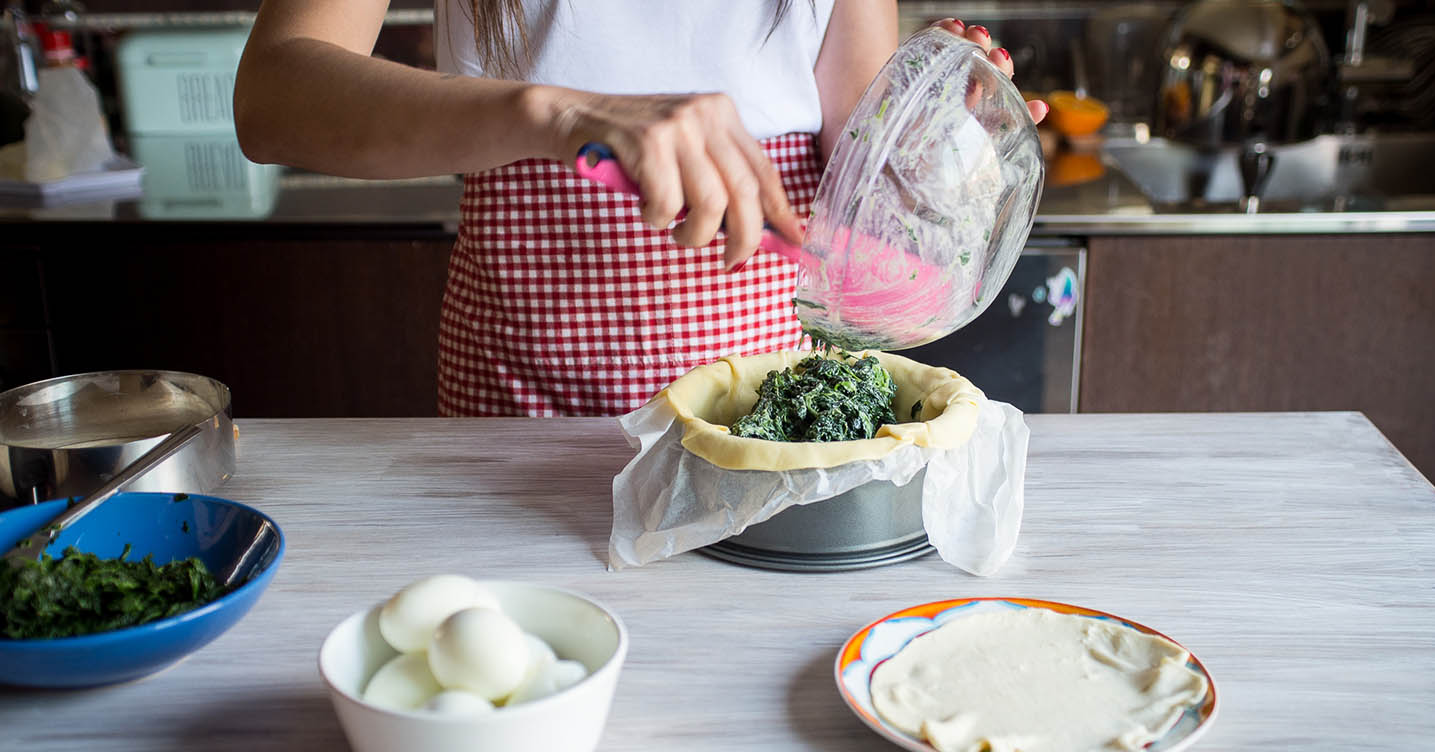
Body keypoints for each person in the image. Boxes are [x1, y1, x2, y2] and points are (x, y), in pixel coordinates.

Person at [235, 2, 1046, 416]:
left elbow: (855, 157)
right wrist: (558, 115)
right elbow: (273, 96)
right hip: (522, 415)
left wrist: (927, 125)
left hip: (766, 407)